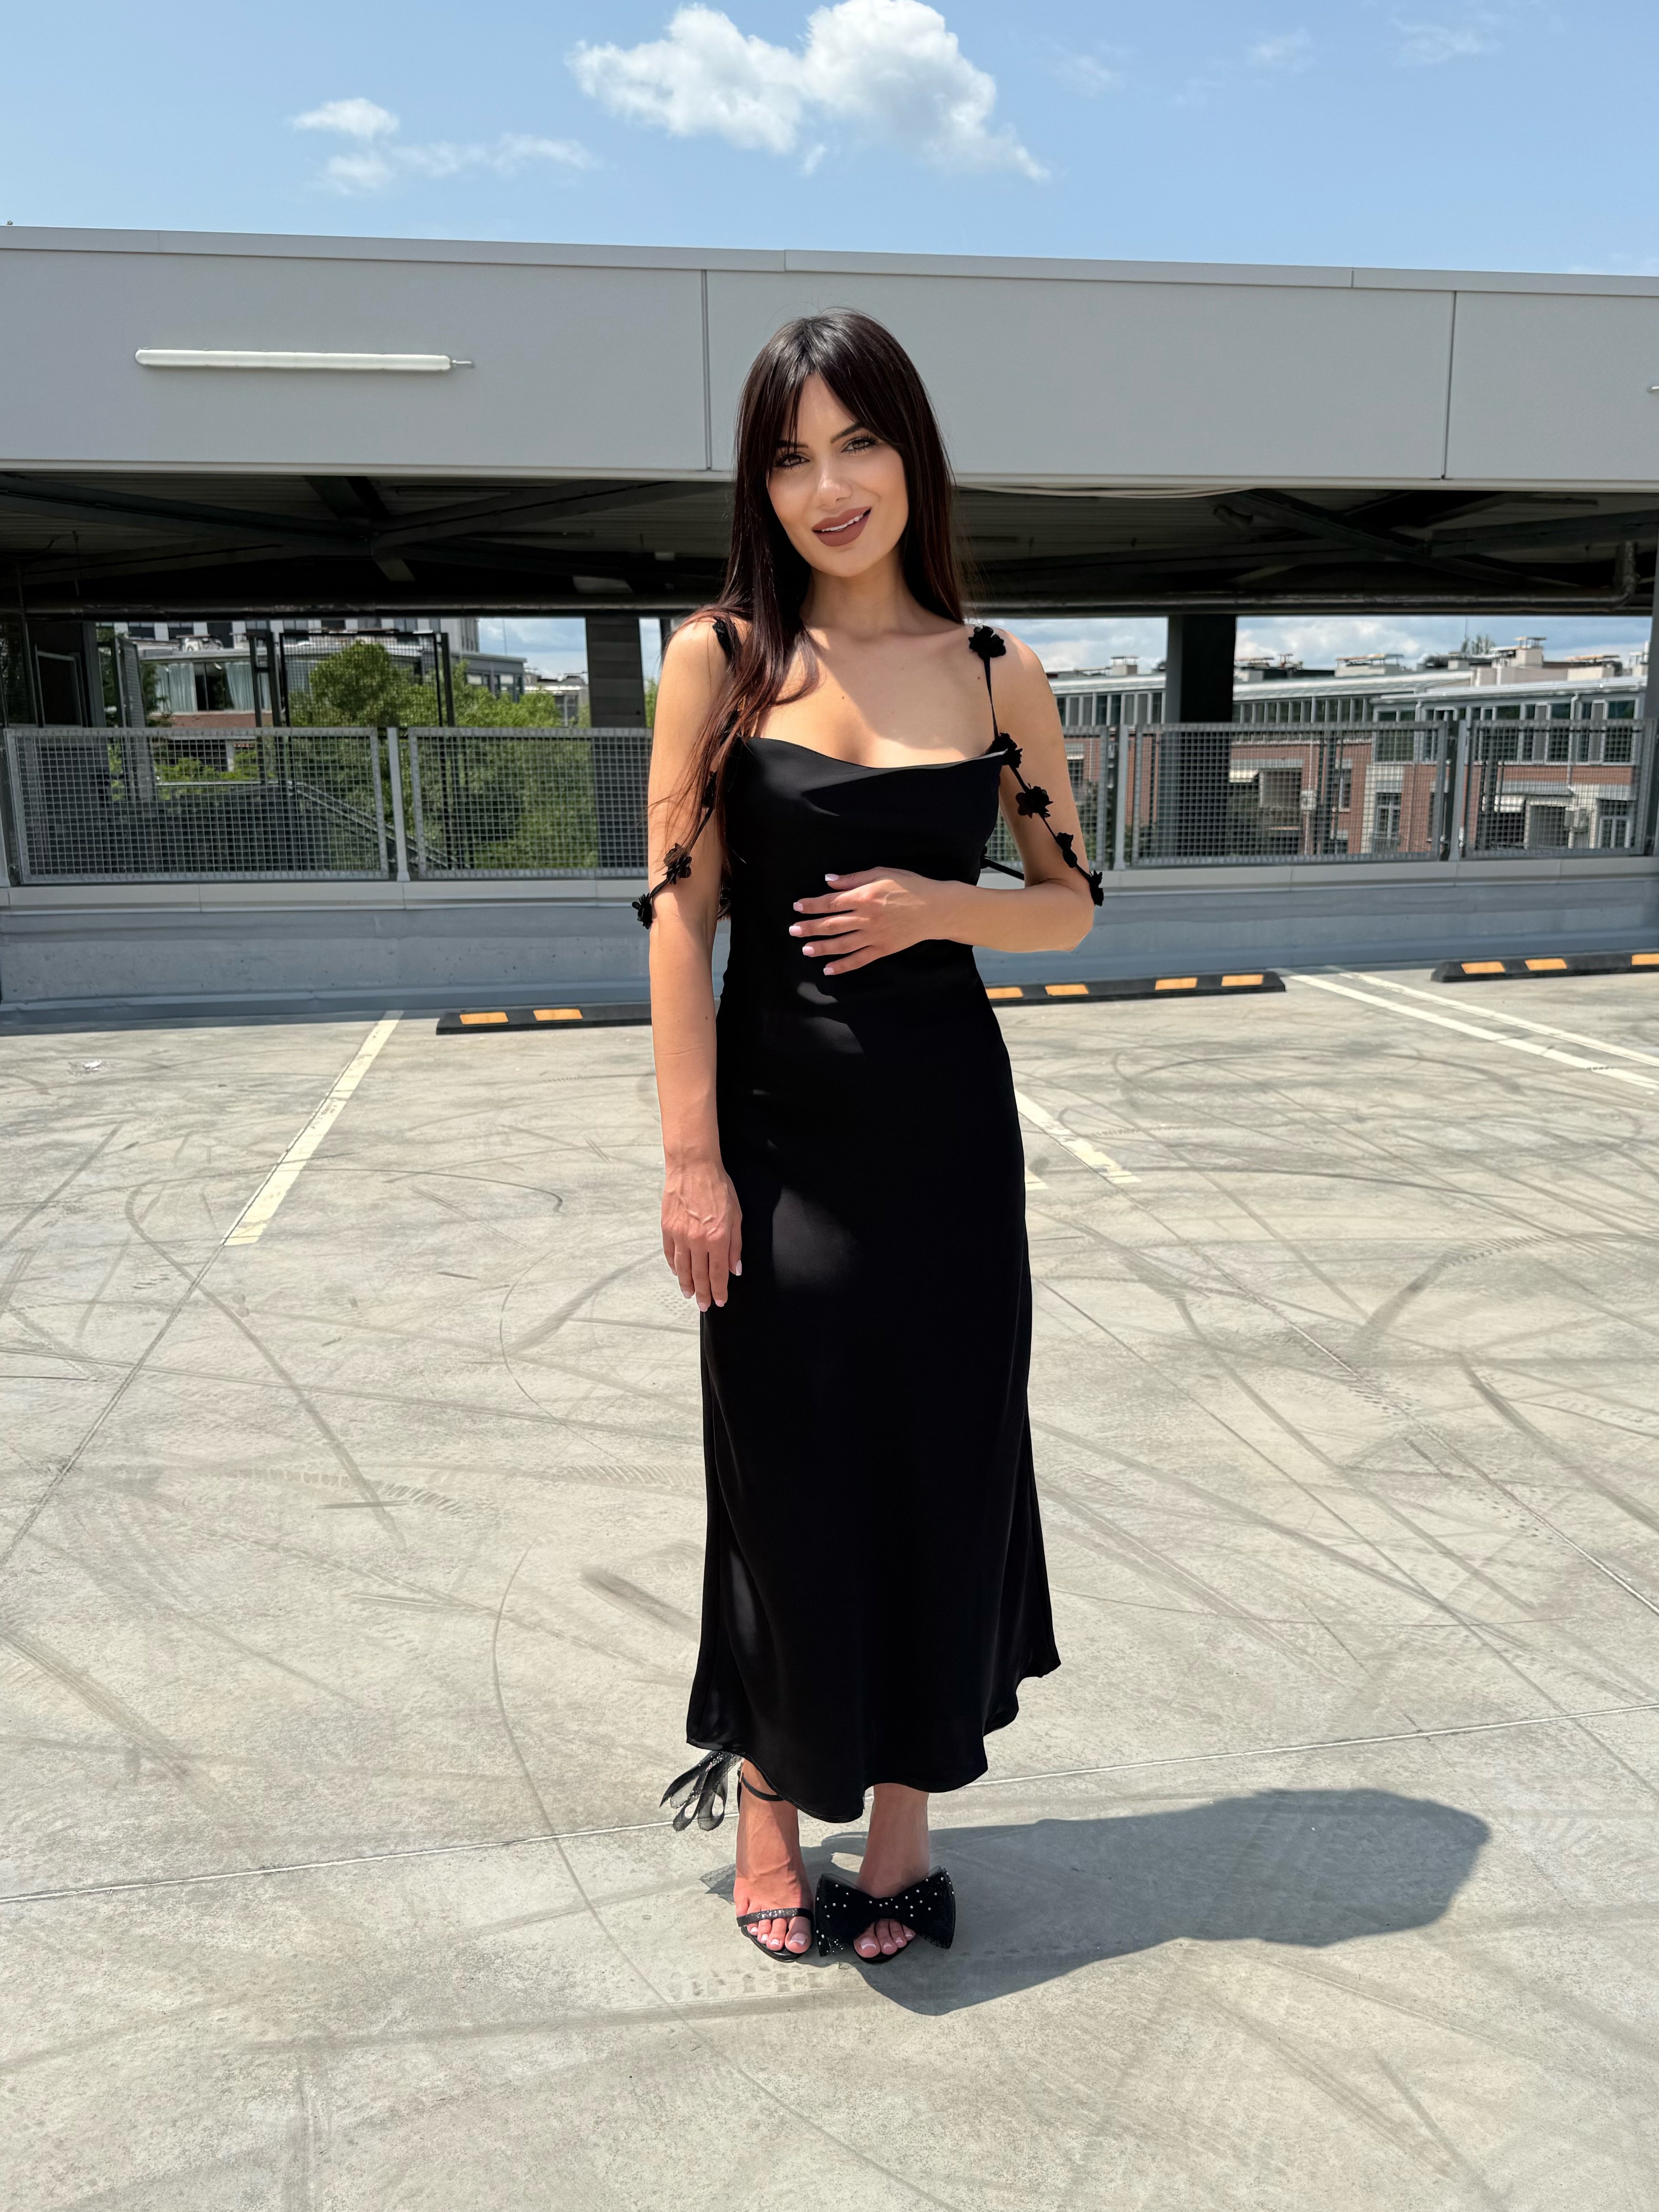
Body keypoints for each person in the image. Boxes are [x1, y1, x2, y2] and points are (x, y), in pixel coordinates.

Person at [640, 309, 1099, 1966]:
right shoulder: (719, 660)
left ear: (914, 456)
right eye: (790, 456)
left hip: (949, 1145)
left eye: (858, 444)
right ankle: (770, 1805)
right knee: (787, 1480)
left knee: (941, 1466)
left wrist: (938, 904)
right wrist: (691, 1163)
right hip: (777, 1141)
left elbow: (1070, 905)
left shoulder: (996, 672)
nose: (829, 486)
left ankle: (901, 1824)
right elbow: (677, 916)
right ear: (758, 485)